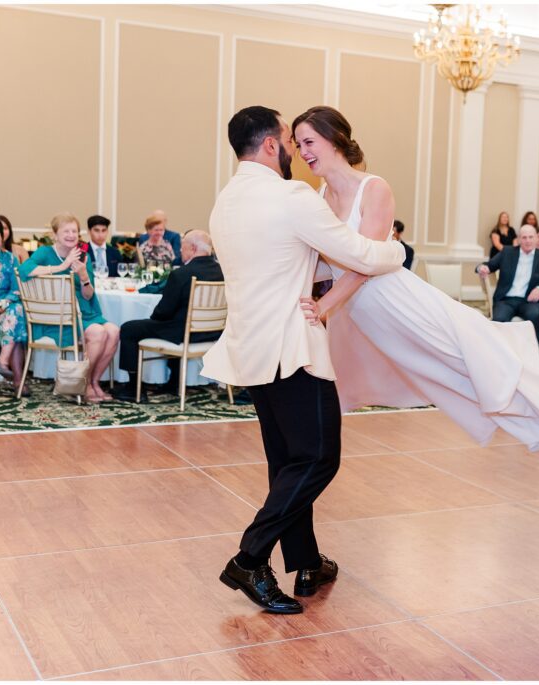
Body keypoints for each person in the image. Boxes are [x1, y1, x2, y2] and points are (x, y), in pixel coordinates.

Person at [292, 105, 539, 452]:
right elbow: (330, 263)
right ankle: (535, 430)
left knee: (465, 360)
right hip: (360, 313)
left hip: (395, 299)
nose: (303, 152)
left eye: (308, 141)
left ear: (334, 139)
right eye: (298, 145)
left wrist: (324, 304)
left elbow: (365, 262)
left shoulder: (373, 188)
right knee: (443, 381)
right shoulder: (319, 198)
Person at [205, 106, 406, 615]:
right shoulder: (291, 195)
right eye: (290, 142)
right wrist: (399, 252)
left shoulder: (224, 203)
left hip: (251, 349)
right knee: (318, 457)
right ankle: (250, 558)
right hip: (293, 348)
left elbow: (295, 258)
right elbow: (361, 254)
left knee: (287, 462)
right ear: (272, 145)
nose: (297, 151)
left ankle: (307, 560)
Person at [19, 213, 119, 403]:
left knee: (113, 331)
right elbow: (24, 270)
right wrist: (61, 267)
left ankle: (93, 382)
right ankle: (85, 386)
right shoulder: (45, 252)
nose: (71, 235)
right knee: (98, 333)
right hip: (57, 317)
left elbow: (88, 295)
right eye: (66, 231)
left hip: (84, 313)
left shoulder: (84, 256)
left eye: (74, 231)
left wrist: (83, 276)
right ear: (55, 234)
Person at [115, 230, 224, 402]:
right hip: (214, 333)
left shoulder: (182, 274)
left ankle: (133, 387)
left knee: (129, 329)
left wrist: (154, 316)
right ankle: (173, 382)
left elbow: (163, 313)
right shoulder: (223, 272)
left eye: (183, 247)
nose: (180, 251)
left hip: (184, 334)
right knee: (172, 324)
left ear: (193, 248)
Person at [478, 225, 539, 349]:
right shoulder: (507, 252)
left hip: (529, 300)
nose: (528, 240)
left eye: (531, 237)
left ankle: (536, 357)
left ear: (536, 239)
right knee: (499, 319)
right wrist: (482, 268)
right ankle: (496, 354)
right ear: (518, 239)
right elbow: (489, 265)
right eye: (524, 237)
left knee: (534, 316)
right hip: (506, 300)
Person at [0, 217, 28, 395]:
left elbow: (16, 290)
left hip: (3, 313)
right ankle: (17, 380)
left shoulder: (9, 259)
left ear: (2, 238)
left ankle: (2, 362)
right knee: (16, 327)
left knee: (16, 311)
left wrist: (1, 306)